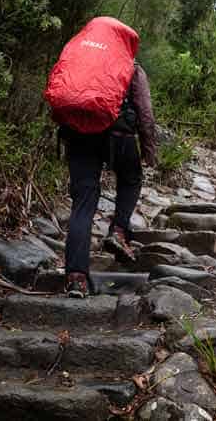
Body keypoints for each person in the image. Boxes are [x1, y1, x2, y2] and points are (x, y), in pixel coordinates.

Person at [61, 60, 157, 298]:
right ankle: (119, 231)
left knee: (83, 201)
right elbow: (144, 110)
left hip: (79, 135)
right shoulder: (130, 66)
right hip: (119, 135)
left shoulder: (78, 60)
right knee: (131, 179)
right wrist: (149, 148)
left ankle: (77, 279)